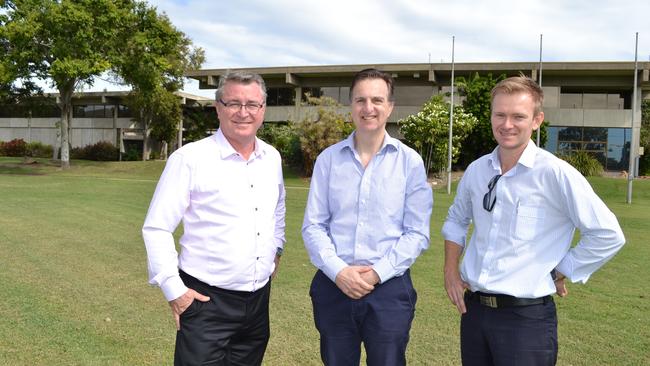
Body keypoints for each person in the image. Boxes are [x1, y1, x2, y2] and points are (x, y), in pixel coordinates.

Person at [442, 75, 625, 366]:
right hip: (475, 314)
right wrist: (451, 270)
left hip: (526, 321)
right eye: (500, 114)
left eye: (518, 116)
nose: (507, 124)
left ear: (537, 119)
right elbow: (455, 220)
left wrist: (563, 269)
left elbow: (608, 234)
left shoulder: (556, 173)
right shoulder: (477, 171)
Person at [142, 70, 286, 366]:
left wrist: (277, 248)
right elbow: (156, 227)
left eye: (252, 105)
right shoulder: (190, 159)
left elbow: (278, 208)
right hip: (206, 303)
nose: (243, 112)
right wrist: (174, 290)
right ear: (218, 107)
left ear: (263, 110)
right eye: (234, 103)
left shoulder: (272, 158)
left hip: (258, 304)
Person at [302, 68, 433, 366]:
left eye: (377, 100)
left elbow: (416, 233)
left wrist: (375, 274)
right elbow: (313, 226)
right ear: (351, 106)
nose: (368, 108)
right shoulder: (328, 160)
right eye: (361, 100)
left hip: (389, 290)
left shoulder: (409, 162)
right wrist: (339, 272)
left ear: (390, 107)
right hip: (334, 287)